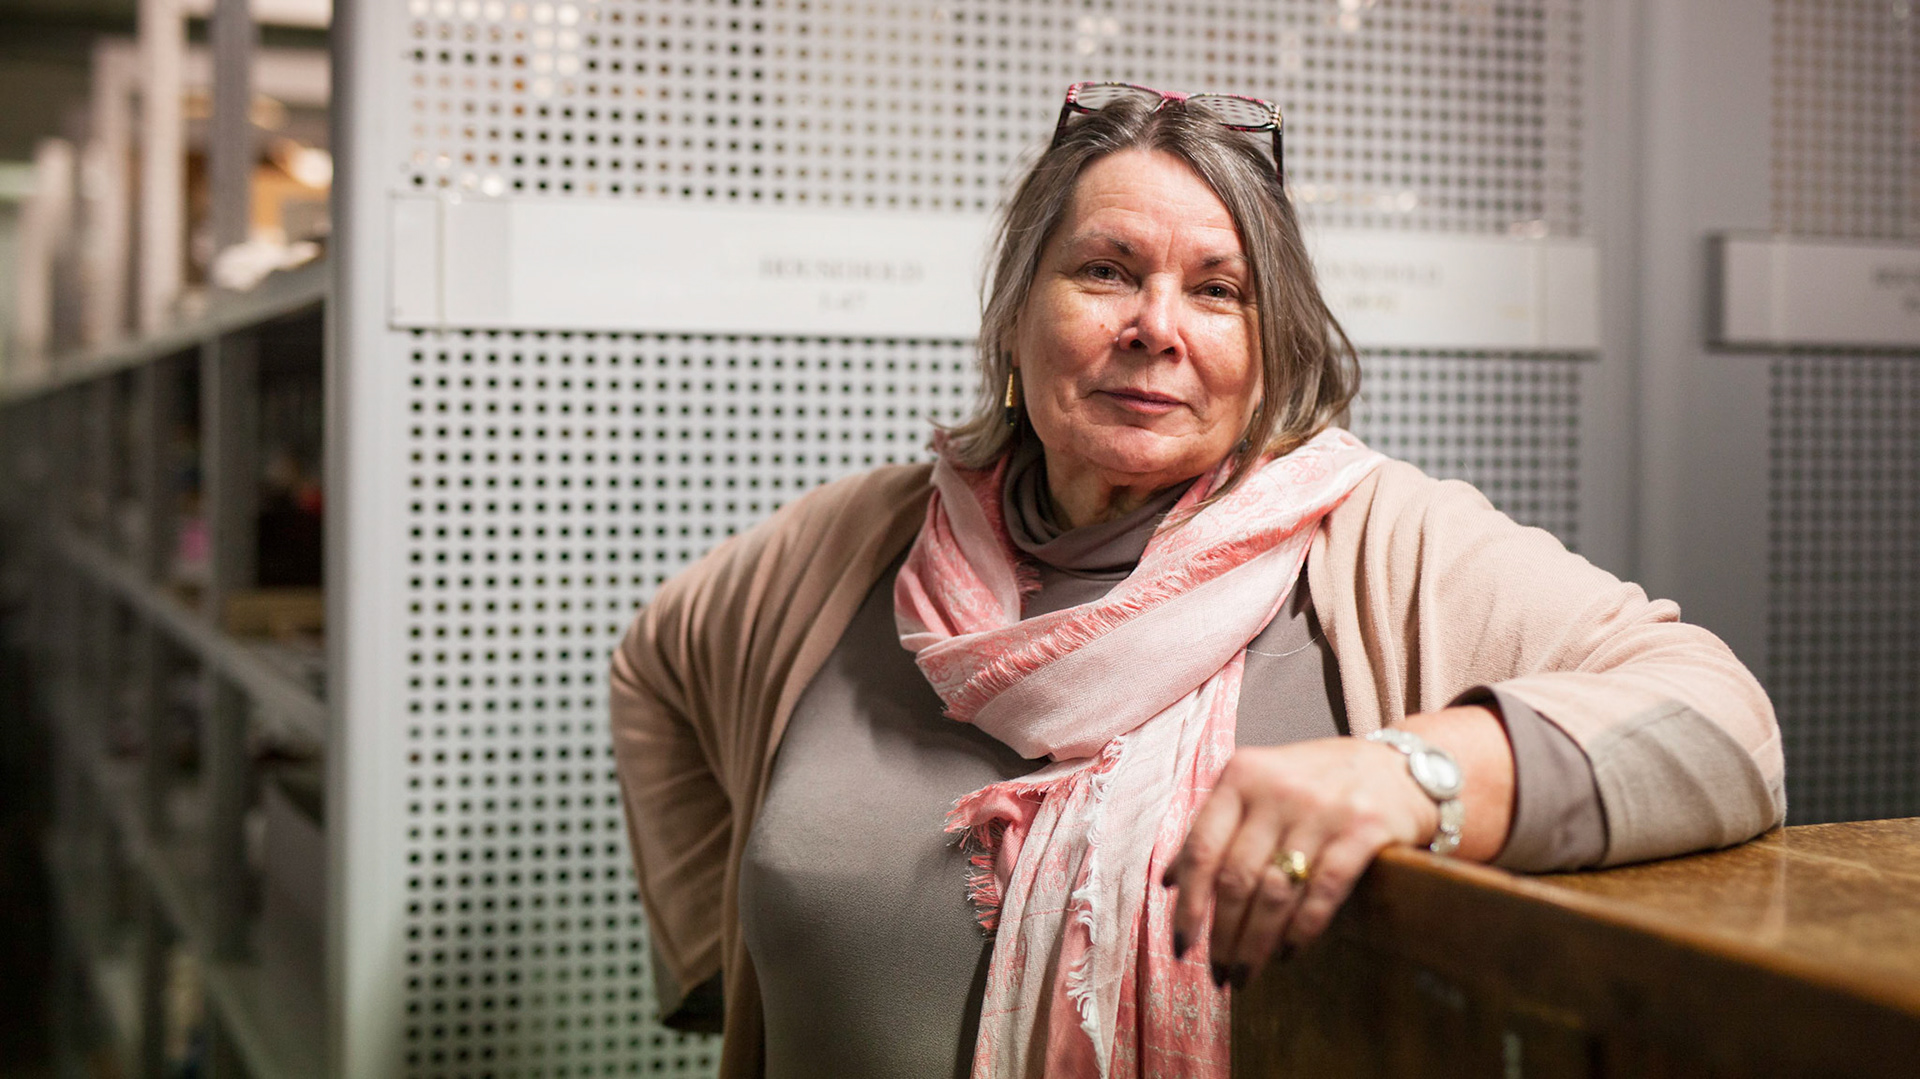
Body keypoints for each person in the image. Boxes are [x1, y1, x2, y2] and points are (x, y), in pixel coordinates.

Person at [610, 82, 1784, 1079]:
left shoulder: (1382, 542)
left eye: (1218, 290)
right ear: (1016, 316)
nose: (1156, 326)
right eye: (1105, 270)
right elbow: (655, 664)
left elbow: (1723, 721)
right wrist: (732, 959)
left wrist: (1412, 770)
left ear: (1271, 346)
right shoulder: (849, 545)